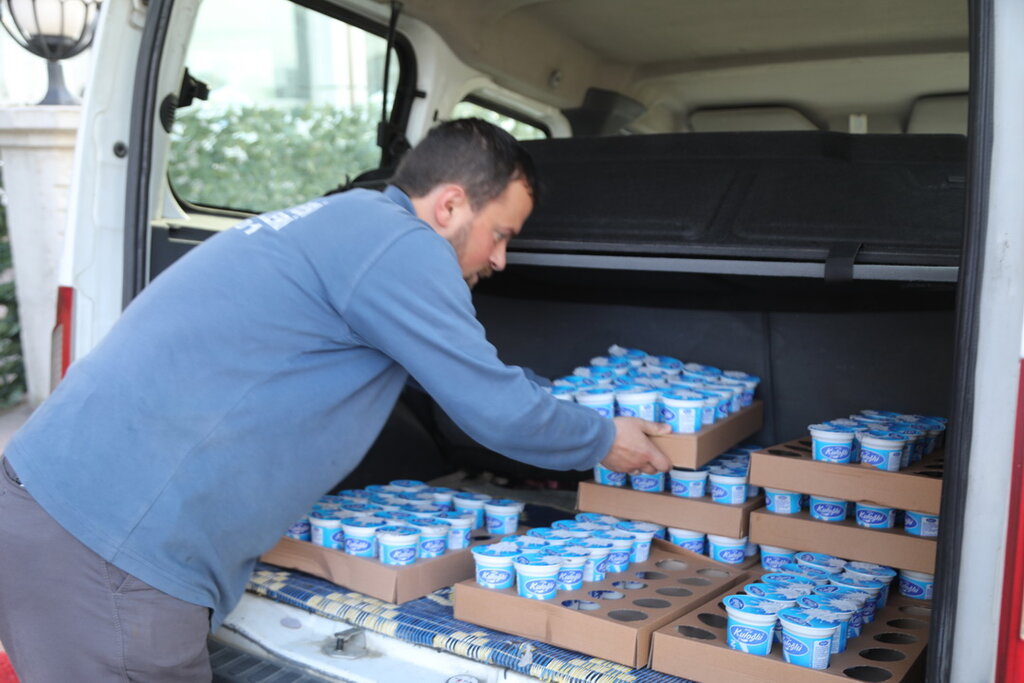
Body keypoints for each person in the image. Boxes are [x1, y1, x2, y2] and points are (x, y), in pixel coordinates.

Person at [0, 118, 671, 681]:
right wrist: (605, 437)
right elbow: (495, 406)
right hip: (110, 556)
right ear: (450, 205)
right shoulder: (402, 246)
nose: (501, 259)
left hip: (49, 505)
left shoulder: (342, 219)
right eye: (502, 233)